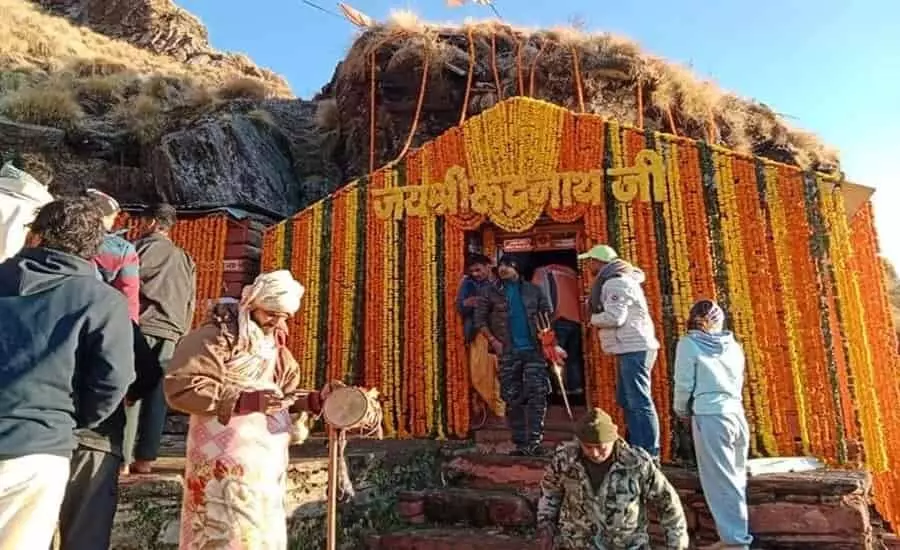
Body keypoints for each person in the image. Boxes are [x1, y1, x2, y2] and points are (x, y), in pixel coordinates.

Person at [163, 270, 336, 548]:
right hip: (221, 455)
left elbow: (283, 394)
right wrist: (245, 401)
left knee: (260, 531)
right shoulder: (213, 338)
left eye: (284, 317)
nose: (277, 322)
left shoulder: (276, 346)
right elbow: (182, 388)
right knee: (222, 529)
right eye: (271, 313)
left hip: (264, 462)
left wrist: (313, 401)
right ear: (252, 304)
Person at [0, 198, 134, 549]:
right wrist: (72, 419)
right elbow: (115, 379)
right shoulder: (102, 301)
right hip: (38, 451)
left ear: (35, 236)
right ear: (94, 250)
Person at [55, 192, 163, 550]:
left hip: (29, 430)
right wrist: (100, 409)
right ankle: (140, 458)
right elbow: (137, 374)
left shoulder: (14, 285)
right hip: (94, 433)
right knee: (85, 531)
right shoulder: (120, 261)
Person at [536, 408, 689, 550]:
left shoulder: (636, 464)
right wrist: (545, 525)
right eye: (588, 447)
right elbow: (550, 492)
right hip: (577, 544)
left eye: (601, 447)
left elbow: (668, 503)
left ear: (613, 440)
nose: (595, 453)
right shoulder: (565, 460)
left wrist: (677, 544)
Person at [673, 300, 753, 550]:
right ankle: (732, 536)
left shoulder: (689, 344)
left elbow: (684, 383)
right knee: (735, 478)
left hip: (711, 416)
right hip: (736, 415)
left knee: (720, 482)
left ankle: (736, 541)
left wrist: (681, 410)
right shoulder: (733, 347)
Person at [124, 202, 196, 474]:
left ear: (153, 222)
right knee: (157, 395)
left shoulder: (139, 248)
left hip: (141, 327)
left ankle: (123, 457)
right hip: (173, 330)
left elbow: (126, 284)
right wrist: (182, 334)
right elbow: (191, 300)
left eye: (143, 221)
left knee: (132, 389)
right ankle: (146, 459)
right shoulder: (185, 258)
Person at [581, 245, 661, 458]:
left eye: (591, 261)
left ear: (600, 262)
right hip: (630, 346)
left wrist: (591, 319)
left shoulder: (615, 282)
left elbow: (615, 318)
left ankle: (648, 452)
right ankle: (637, 446)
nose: (589, 266)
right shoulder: (618, 280)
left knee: (639, 401)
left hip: (634, 347)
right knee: (627, 400)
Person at [474, 255, 552, 456]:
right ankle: (519, 443)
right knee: (512, 397)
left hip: (534, 351)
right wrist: (493, 342)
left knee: (537, 394)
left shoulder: (533, 291)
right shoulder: (489, 292)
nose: (502, 269)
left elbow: (547, 314)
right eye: (500, 265)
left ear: (517, 268)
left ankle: (535, 441)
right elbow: (480, 320)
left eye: (507, 265)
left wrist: (548, 340)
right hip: (507, 351)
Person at [457, 254, 504, 418]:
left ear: (489, 265)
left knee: (504, 371)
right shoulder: (468, 284)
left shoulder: (501, 282)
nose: (476, 274)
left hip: (502, 333)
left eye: (478, 269)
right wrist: (470, 302)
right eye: (472, 271)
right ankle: (497, 409)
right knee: (479, 375)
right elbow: (461, 306)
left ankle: (505, 408)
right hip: (479, 334)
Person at [86, 189, 141, 321]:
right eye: (112, 217)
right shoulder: (122, 250)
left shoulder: (57, 236)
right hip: (97, 318)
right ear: (101, 216)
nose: (114, 221)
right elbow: (128, 295)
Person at [532, 262, 584, 398]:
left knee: (555, 356)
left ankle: (559, 392)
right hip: (577, 319)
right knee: (573, 357)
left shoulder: (542, 271)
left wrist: (544, 318)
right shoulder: (571, 272)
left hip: (559, 317)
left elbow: (538, 295)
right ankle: (576, 389)